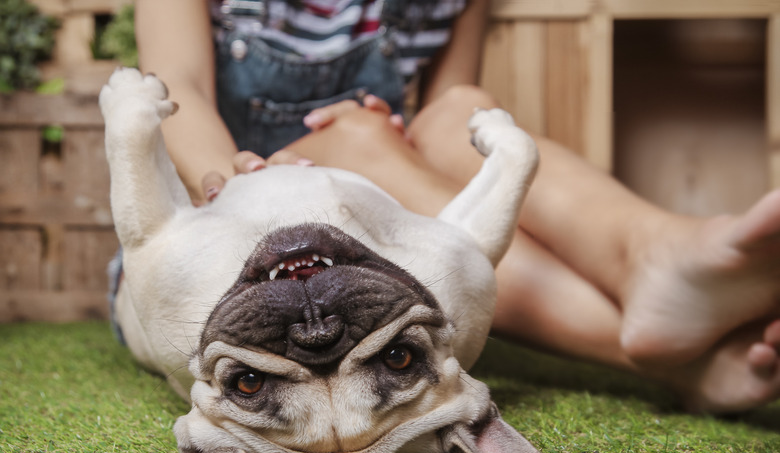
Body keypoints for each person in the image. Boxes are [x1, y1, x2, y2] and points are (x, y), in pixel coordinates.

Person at [134, 0, 780, 414]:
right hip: (222, 245)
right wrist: (240, 178)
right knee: (359, 134)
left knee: (458, 111)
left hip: (369, 239)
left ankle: (650, 251)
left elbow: (443, 134)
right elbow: (176, 94)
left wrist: (388, 131)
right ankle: (658, 333)